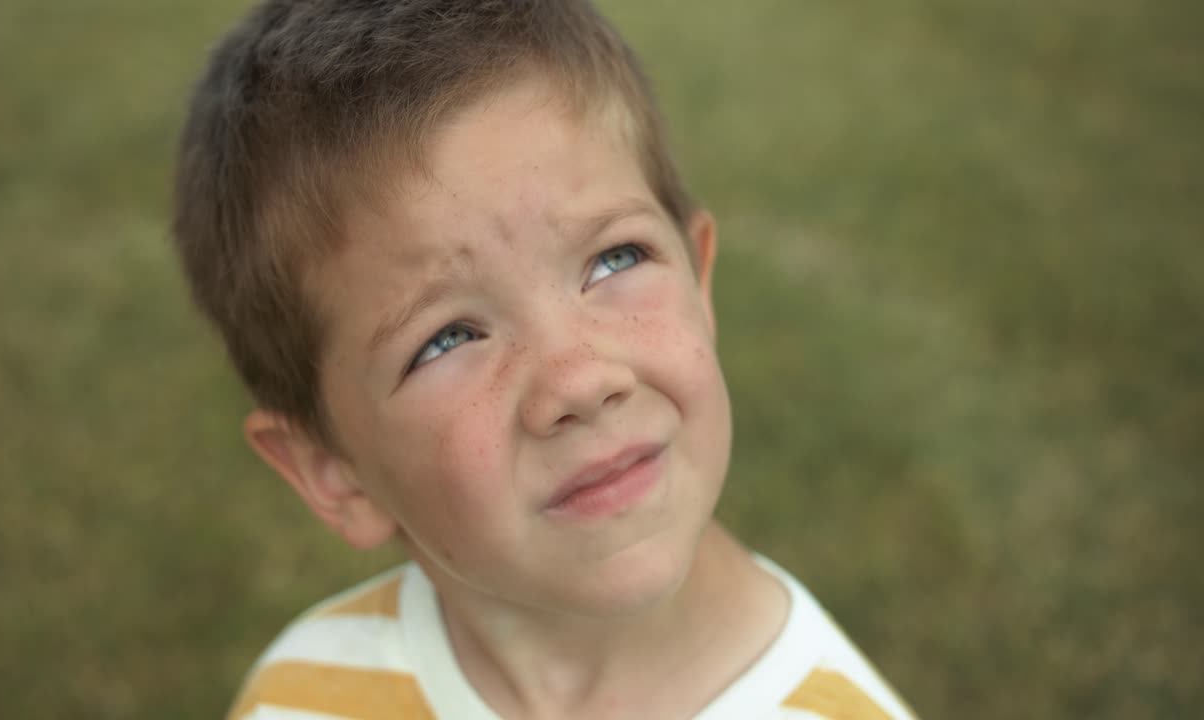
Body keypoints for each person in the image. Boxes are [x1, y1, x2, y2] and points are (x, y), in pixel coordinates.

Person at [173, 1, 917, 718]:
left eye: (615, 259)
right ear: (331, 472)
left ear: (699, 276)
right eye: (447, 338)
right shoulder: (299, 697)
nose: (581, 380)